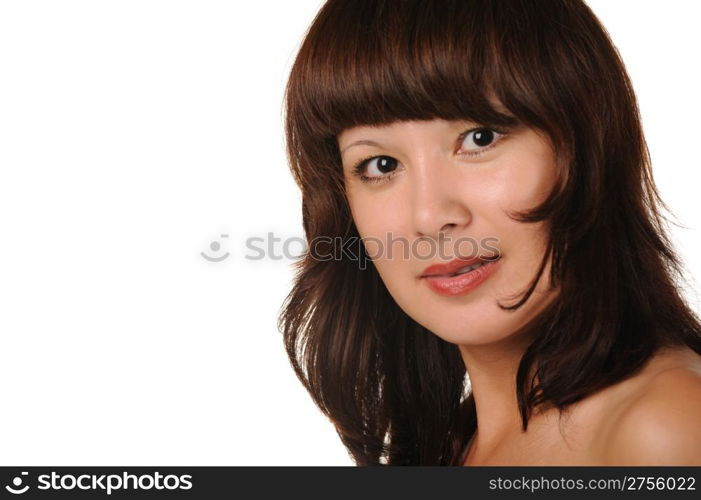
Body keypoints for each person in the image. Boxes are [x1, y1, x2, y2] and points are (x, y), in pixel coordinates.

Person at [277, 0, 701, 465]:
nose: (429, 216)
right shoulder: (454, 446)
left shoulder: (666, 428)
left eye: (479, 138)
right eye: (381, 165)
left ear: (585, 144)